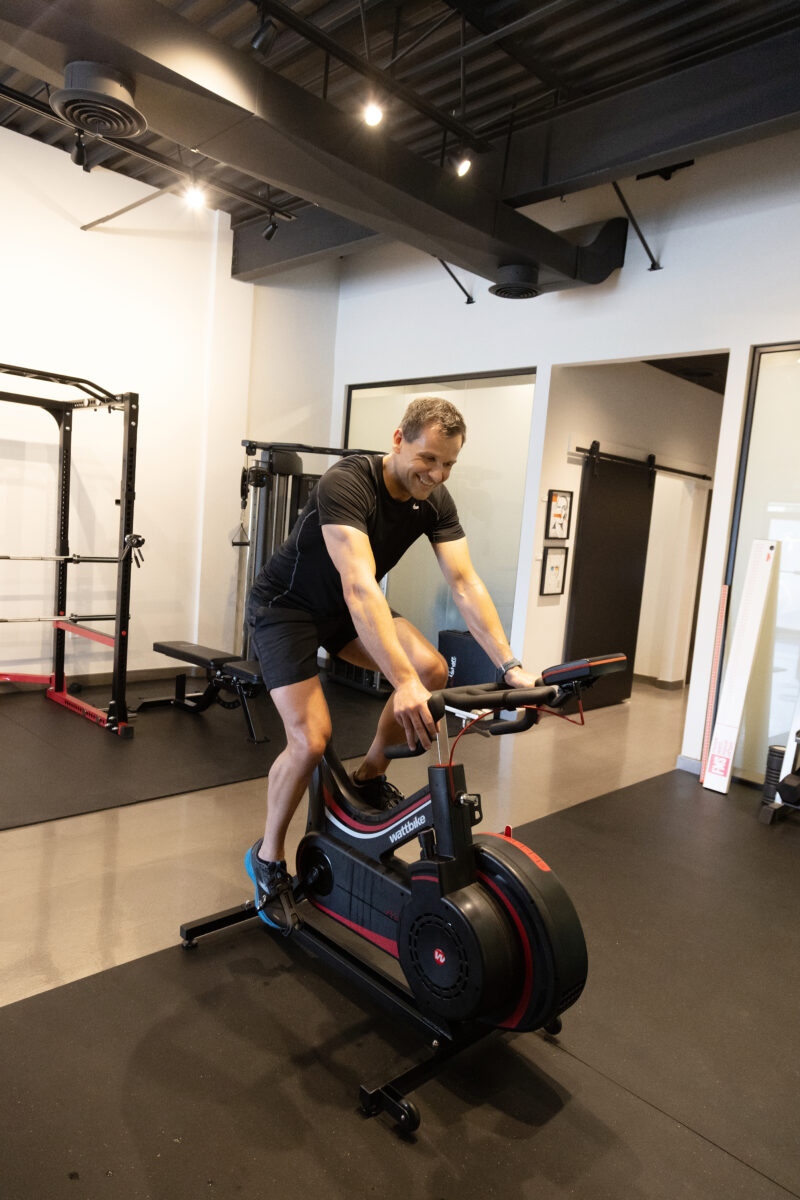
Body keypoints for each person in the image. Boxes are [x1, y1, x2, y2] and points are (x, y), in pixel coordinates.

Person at [244, 396, 540, 928]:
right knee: (310, 740)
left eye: (449, 464)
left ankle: (371, 771)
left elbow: (466, 583)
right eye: (429, 458)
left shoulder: (436, 501)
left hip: (347, 611)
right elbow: (360, 585)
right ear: (399, 439)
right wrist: (398, 682)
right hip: (288, 610)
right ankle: (267, 858)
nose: (437, 473)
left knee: (433, 672)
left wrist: (510, 665)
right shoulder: (348, 482)